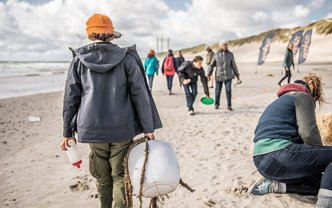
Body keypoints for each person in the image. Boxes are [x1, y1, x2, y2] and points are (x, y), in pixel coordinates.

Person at [60, 13, 162, 208]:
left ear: (90, 35)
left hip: (91, 129)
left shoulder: (79, 60)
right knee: (120, 175)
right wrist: (148, 128)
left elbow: (70, 100)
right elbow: (140, 96)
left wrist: (67, 132)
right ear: (112, 34)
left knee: (102, 177)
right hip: (121, 128)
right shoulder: (126, 59)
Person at [250, 73, 332, 208]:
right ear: (314, 94)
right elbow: (309, 133)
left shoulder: (278, 102)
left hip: (262, 161)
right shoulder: (303, 97)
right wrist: (321, 157)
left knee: (323, 183)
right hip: (279, 154)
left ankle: (278, 185)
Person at [208, 41, 240, 111]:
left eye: (226, 45)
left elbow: (234, 65)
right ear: (220, 46)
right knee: (217, 91)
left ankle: (229, 105)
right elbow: (212, 65)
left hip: (228, 76)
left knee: (228, 90)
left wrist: (237, 75)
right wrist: (209, 74)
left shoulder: (230, 54)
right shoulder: (216, 55)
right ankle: (216, 104)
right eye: (224, 45)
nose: (226, 46)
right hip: (219, 76)